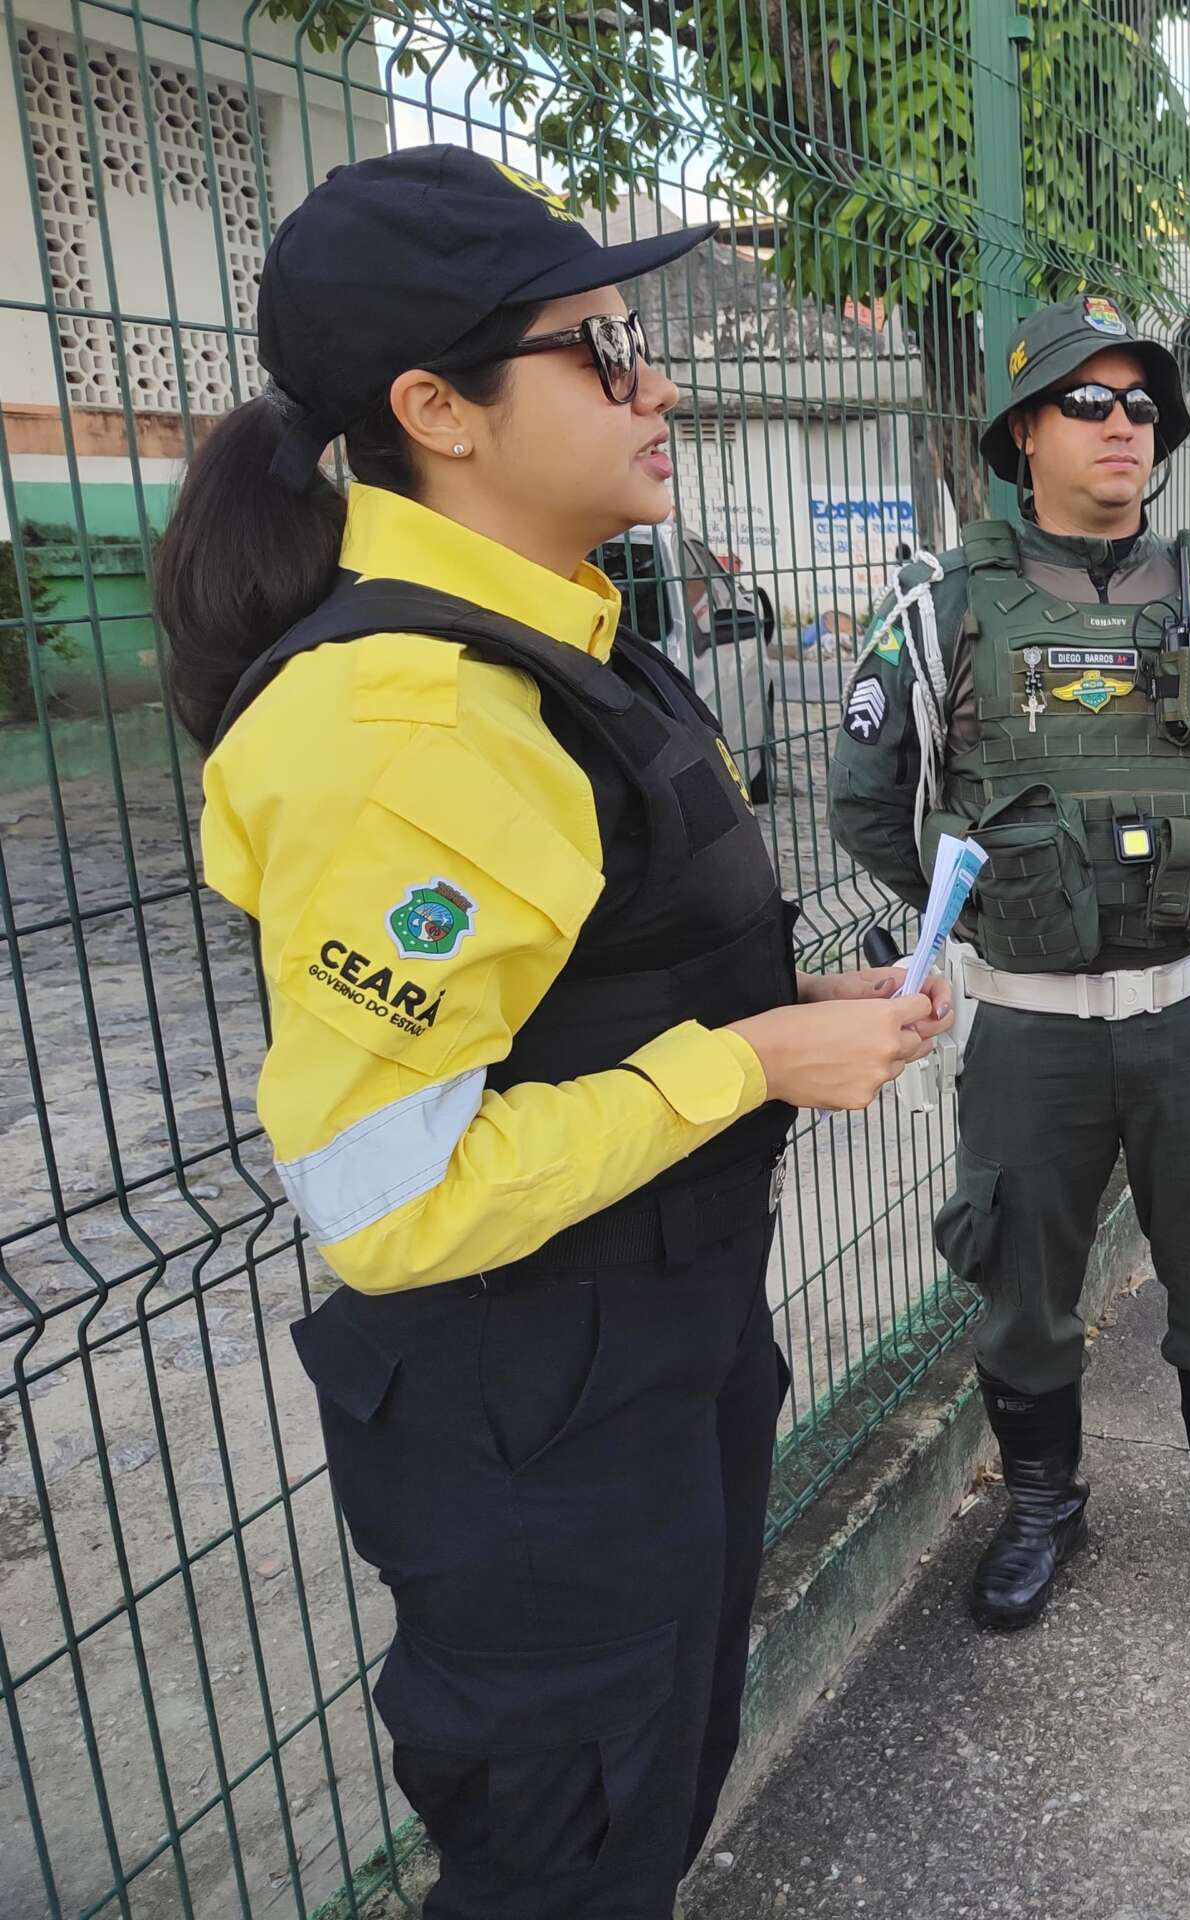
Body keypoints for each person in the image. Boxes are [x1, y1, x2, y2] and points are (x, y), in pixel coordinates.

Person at [154, 145, 950, 1918]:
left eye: (638, 334)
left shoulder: (562, 638)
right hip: (535, 1432)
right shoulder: (408, 725)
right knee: (565, 1865)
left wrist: (780, 1014)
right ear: (437, 408)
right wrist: (744, 1064)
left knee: (640, 1819)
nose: (655, 380)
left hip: (648, 1362)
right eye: (599, 348)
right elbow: (382, 1197)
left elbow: (588, 987)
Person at [828, 294, 1190, 1627]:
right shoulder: (943, 609)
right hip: (1028, 1023)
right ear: (1022, 431)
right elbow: (870, 804)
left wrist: (1188, 897)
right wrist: (1002, 899)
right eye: (1087, 402)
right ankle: (1044, 1502)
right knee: (1023, 1283)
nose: (1121, 425)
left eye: (1142, 405)